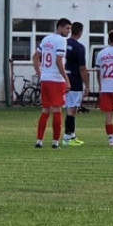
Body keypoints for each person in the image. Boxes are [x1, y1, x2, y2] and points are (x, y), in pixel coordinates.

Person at [33, 18, 70, 149]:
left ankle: (39, 141)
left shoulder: (46, 39)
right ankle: (55, 142)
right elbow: (59, 61)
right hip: (56, 79)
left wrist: (40, 74)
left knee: (45, 109)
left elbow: (35, 57)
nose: (68, 31)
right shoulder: (61, 40)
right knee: (57, 109)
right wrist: (66, 79)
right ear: (60, 27)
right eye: (67, 28)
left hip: (45, 79)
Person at [62, 22, 89, 146]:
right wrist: (87, 85)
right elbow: (82, 68)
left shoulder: (63, 43)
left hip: (63, 79)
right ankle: (67, 138)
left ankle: (72, 135)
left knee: (70, 108)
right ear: (80, 32)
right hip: (74, 80)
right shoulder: (79, 47)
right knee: (71, 109)